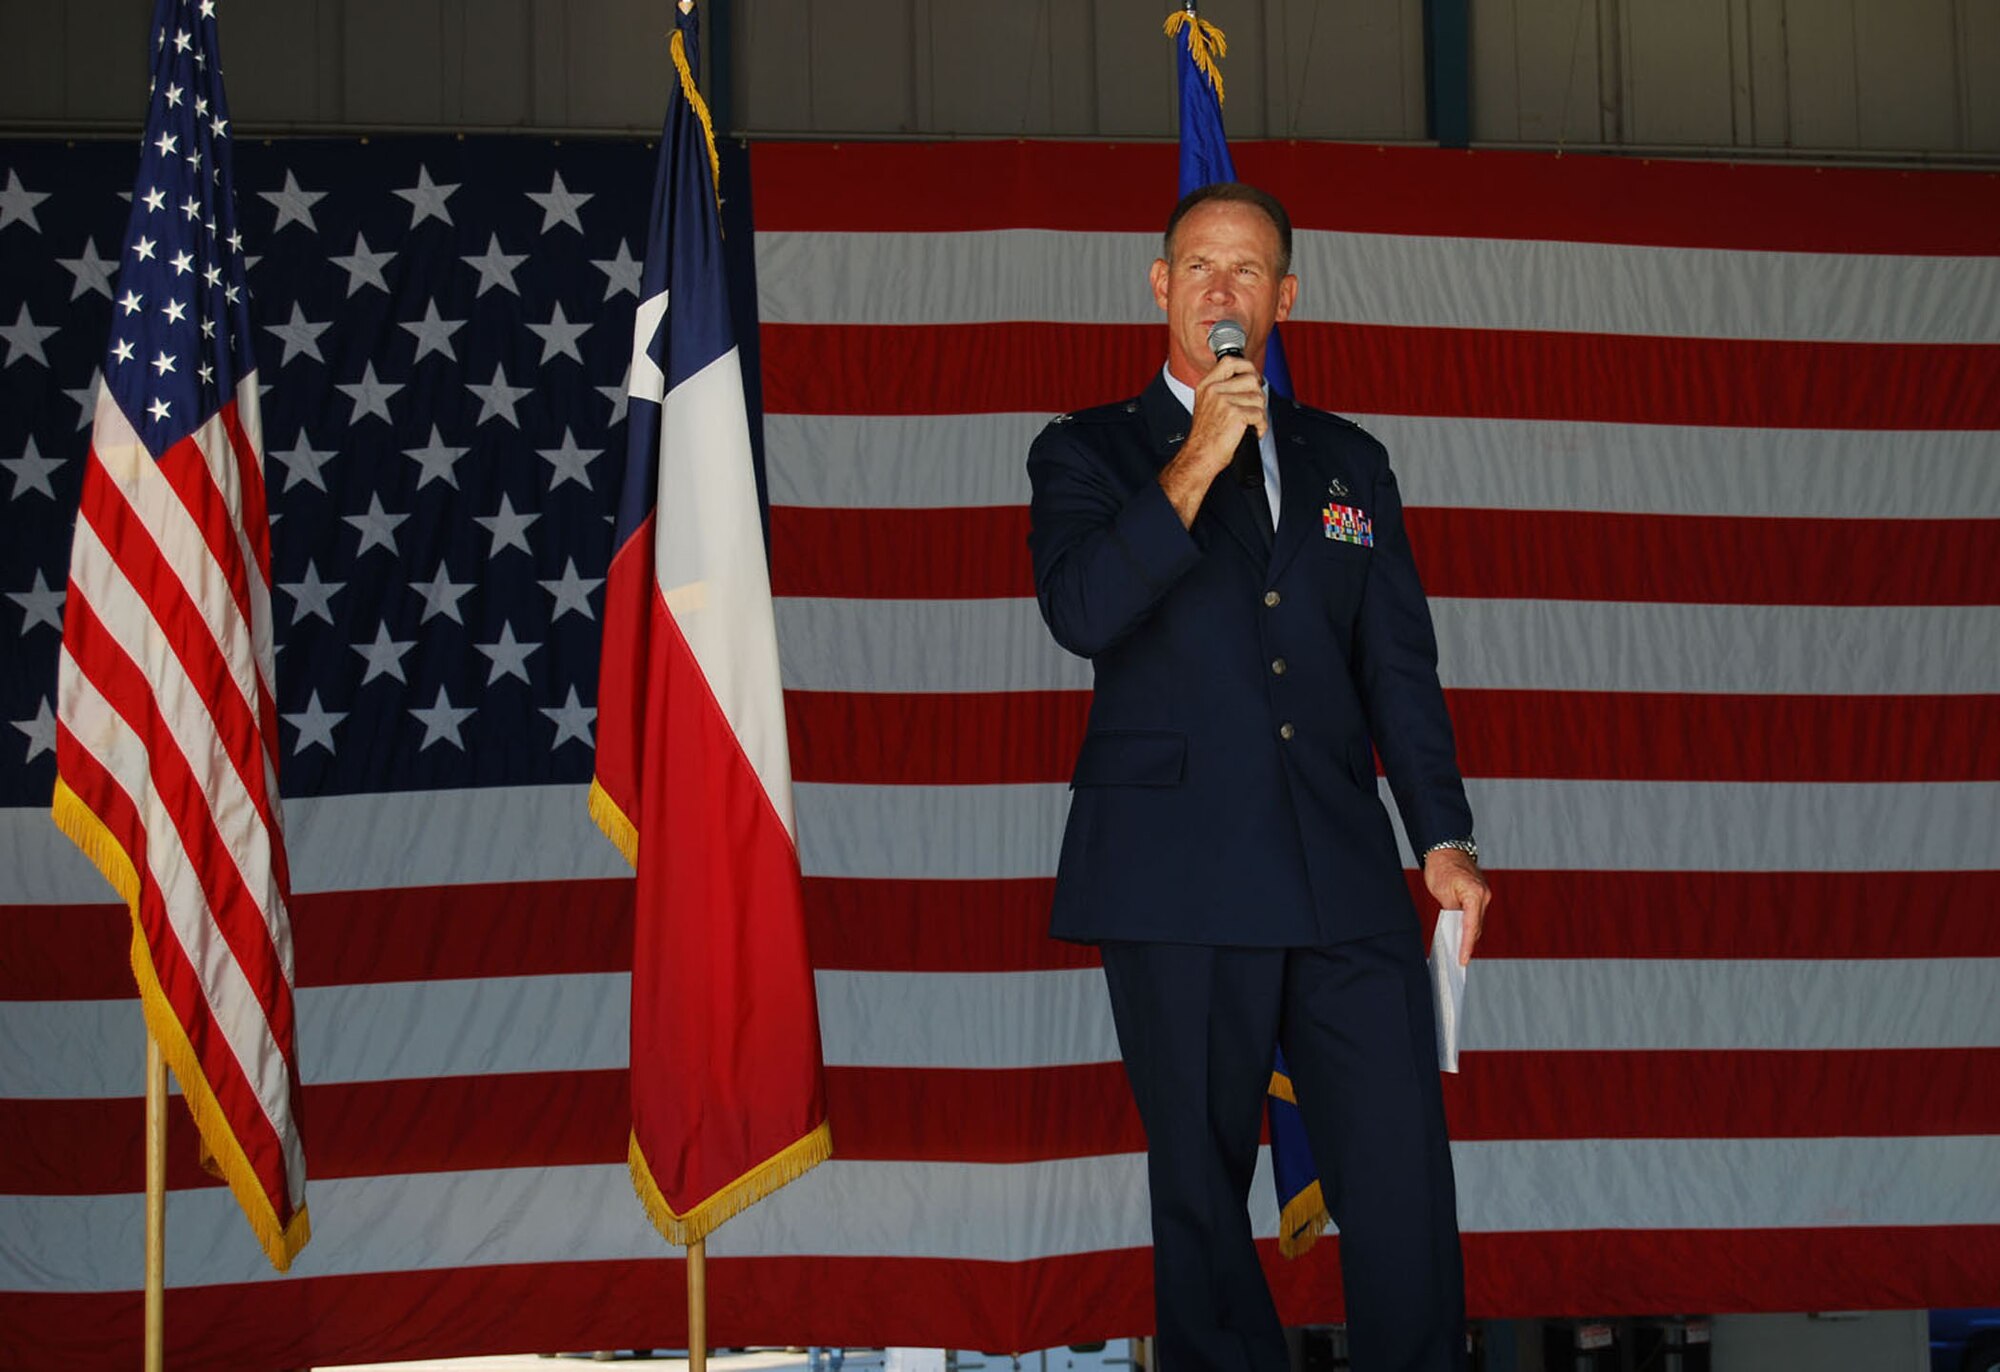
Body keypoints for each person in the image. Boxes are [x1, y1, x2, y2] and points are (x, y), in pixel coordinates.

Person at [1026, 182, 1492, 1372]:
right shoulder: (1085, 448)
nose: (1218, 289)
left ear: (1282, 297)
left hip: (1337, 868)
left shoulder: (1346, 462)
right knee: (1199, 1200)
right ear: (1159, 286)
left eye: (1245, 271)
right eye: (1196, 267)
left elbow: (1396, 664)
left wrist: (1441, 838)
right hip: (1176, 876)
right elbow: (1082, 612)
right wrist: (1196, 456)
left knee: (1400, 1187)